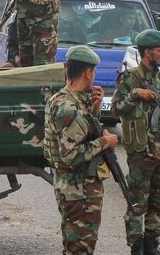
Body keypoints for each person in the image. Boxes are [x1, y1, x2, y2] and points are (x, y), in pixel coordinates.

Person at [111, 30, 160, 255]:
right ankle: (136, 246)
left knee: (158, 201)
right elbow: (115, 109)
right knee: (137, 203)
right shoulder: (130, 77)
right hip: (142, 152)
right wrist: (135, 95)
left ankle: (152, 243)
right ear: (147, 52)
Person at [44, 45, 117, 254]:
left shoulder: (60, 98)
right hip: (79, 192)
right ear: (88, 73)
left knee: (73, 246)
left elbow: (82, 131)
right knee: (80, 249)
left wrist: (95, 107)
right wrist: (106, 142)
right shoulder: (71, 108)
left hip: (71, 188)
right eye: (93, 71)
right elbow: (71, 155)